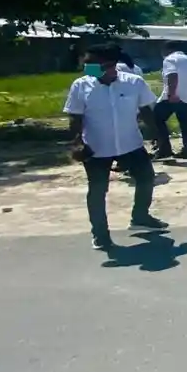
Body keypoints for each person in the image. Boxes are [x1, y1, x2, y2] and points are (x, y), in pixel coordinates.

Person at [63, 43, 169, 250]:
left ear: (112, 65)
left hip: (131, 144)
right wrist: (76, 142)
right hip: (96, 148)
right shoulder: (81, 85)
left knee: (146, 178)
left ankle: (140, 216)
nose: (89, 69)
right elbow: (75, 117)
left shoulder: (134, 82)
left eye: (94, 65)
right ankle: (100, 234)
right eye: (88, 65)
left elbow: (146, 111)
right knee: (97, 190)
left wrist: (158, 136)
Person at [153, 42, 187, 160]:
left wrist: (171, 94)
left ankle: (165, 149)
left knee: (156, 119)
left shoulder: (170, 59)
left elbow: (172, 75)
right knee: (186, 123)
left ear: (168, 50)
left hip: (173, 97)